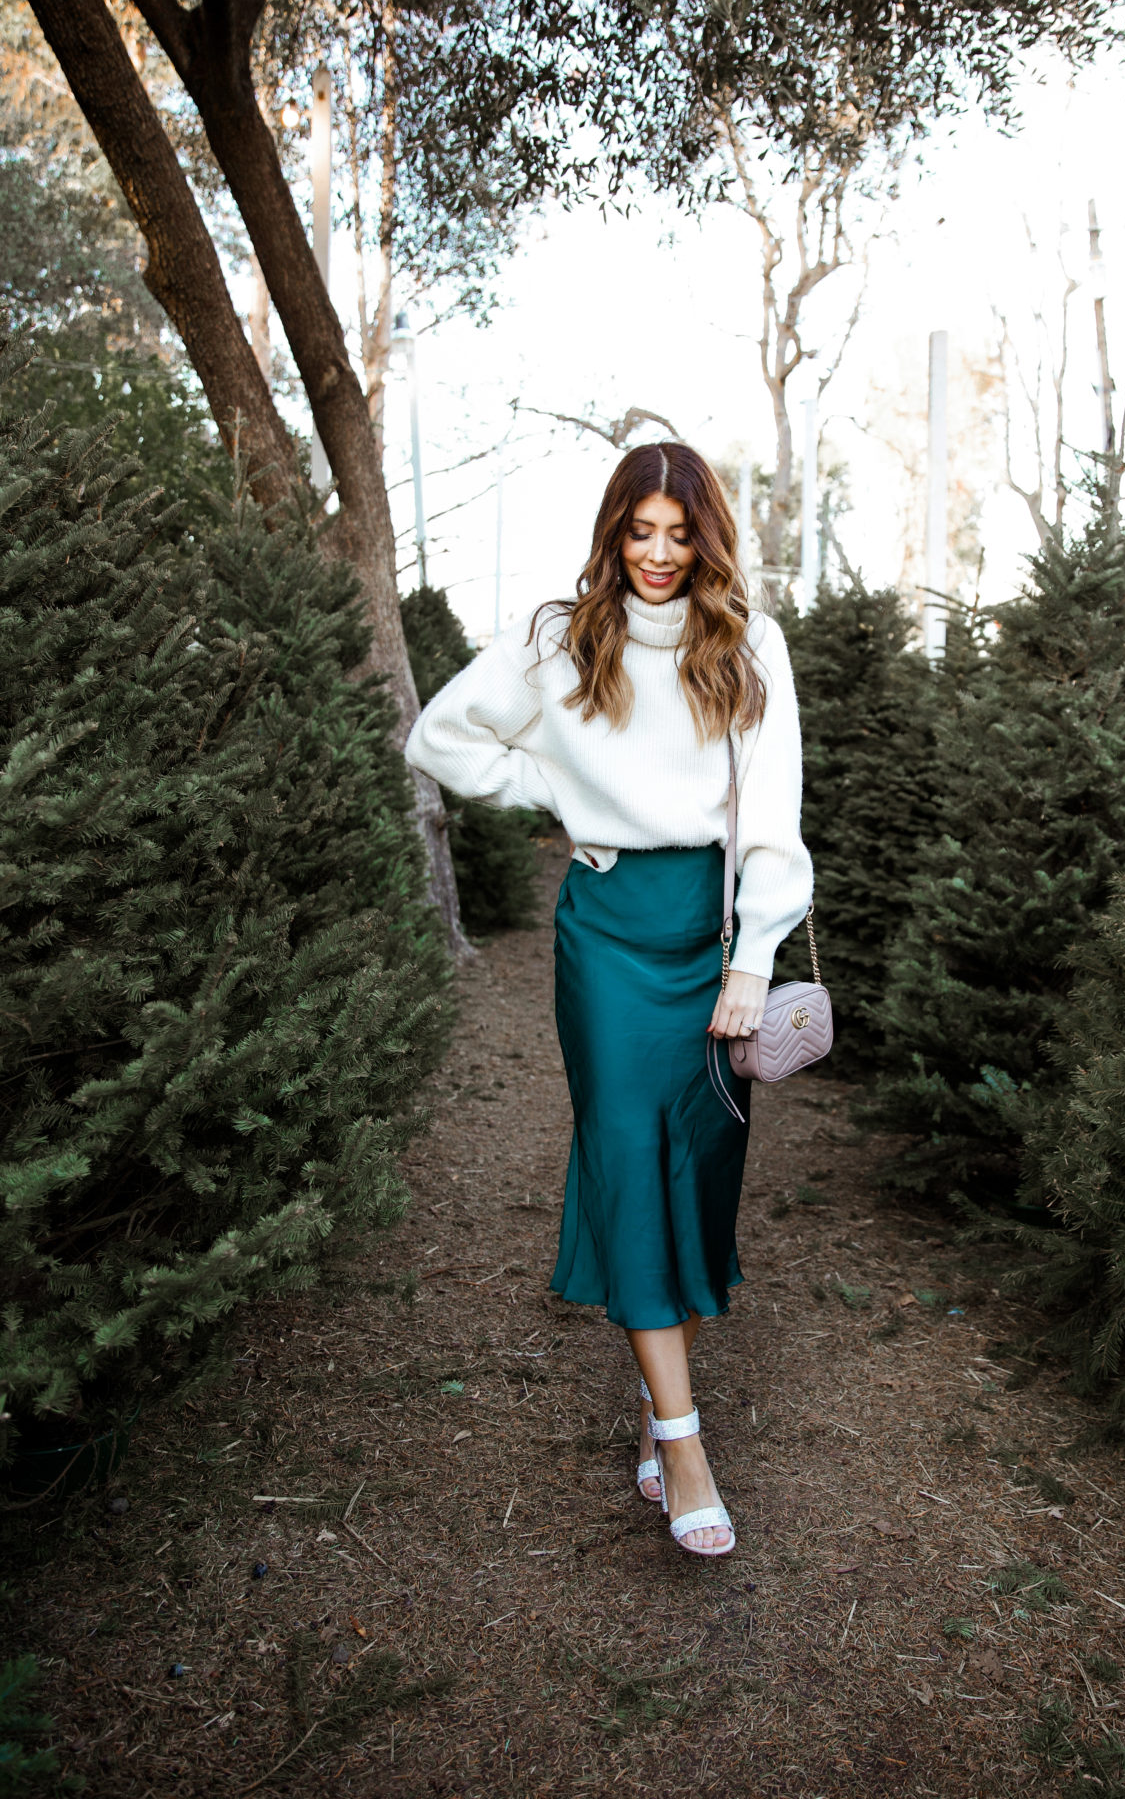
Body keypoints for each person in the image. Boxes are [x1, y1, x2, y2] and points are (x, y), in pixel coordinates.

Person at [405, 442, 812, 1558]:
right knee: (628, 1156)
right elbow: (437, 734)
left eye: (682, 534)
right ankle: (683, 1442)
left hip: (714, 932)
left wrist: (752, 963)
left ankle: (653, 1390)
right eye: (642, 529)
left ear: (707, 539)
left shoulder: (749, 643)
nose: (661, 554)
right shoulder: (558, 636)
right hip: (607, 938)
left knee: (700, 1164)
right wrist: (557, 784)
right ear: (613, 530)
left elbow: (773, 818)